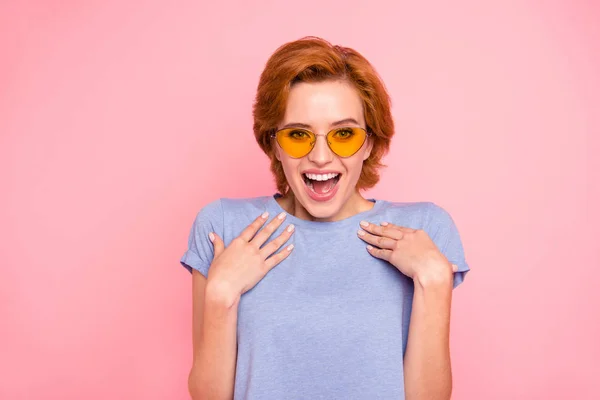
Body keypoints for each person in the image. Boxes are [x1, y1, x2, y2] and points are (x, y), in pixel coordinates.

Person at [180, 36, 470, 400]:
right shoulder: (222, 225)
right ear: (274, 143)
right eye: (299, 135)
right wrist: (221, 294)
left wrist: (434, 279)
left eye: (344, 134)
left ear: (368, 142)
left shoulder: (426, 230)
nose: (320, 157)